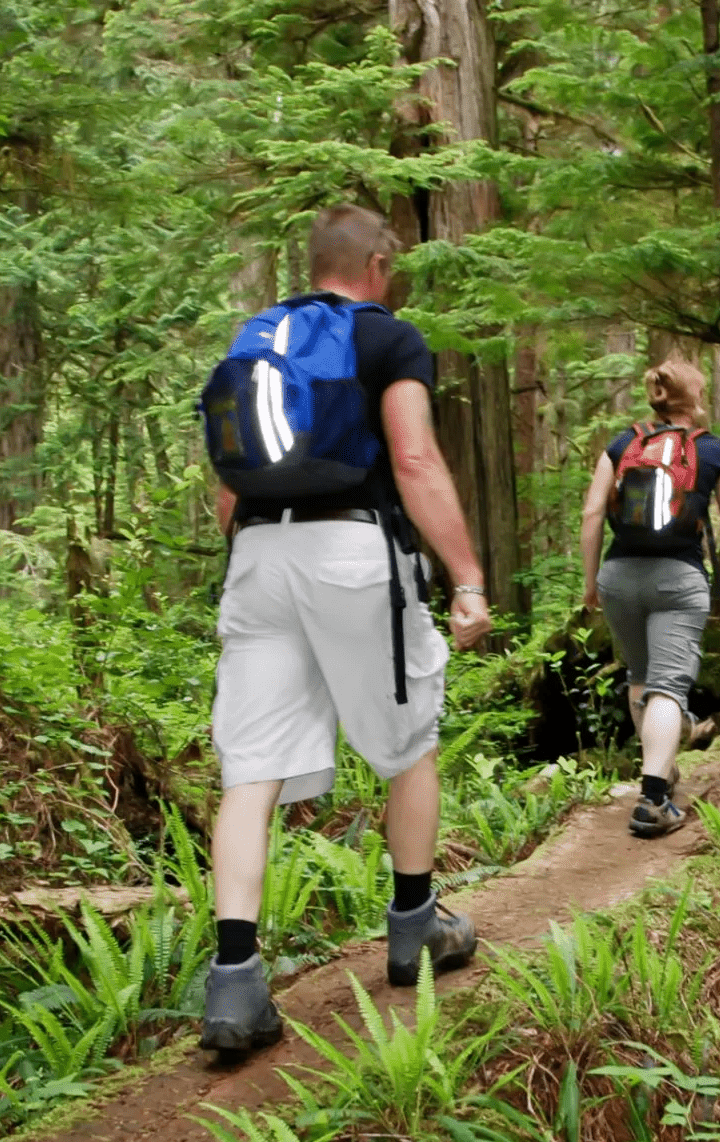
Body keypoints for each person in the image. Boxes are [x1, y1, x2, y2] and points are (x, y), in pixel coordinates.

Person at [197, 205, 492, 1058]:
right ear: (375, 263)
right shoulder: (387, 338)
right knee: (408, 743)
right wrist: (466, 576)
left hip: (258, 553)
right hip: (352, 550)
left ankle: (236, 984)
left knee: (249, 772)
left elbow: (228, 478)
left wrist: (255, 556)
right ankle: (413, 929)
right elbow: (413, 459)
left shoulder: (256, 337)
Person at [579, 360, 720, 838]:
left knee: (641, 677)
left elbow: (594, 512)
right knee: (669, 687)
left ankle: (663, 768)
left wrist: (591, 581)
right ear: (696, 399)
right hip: (678, 579)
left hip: (619, 574)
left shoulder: (623, 443)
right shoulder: (711, 450)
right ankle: (654, 799)